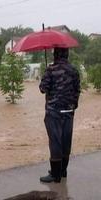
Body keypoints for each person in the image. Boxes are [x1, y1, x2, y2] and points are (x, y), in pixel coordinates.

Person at [39, 47, 80, 183]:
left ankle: (55, 175)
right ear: (67, 54)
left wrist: (46, 74)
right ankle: (63, 172)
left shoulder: (51, 70)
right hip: (69, 111)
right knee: (66, 141)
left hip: (54, 112)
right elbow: (77, 90)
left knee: (55, 142)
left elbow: (43, 89)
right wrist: (73, 106)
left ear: (56, 54)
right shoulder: (74, 70)